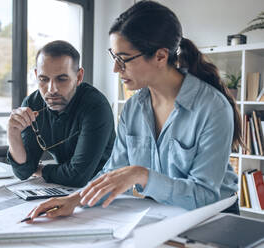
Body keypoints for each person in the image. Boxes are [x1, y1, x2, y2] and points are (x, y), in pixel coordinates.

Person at [26, 0, 242, 221]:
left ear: (160, 56)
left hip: (214, 217)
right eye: (114, 57)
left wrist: (142, 175)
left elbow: (204, 196)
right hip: (163, 214)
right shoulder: (133, 107)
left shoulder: (212, 107)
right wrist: (74, 200)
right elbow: (112, 172)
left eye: (124, 59)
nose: (115, 68)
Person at [7, 40, 116, 187]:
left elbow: (77, 176)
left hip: (105, 189)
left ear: (78, 77)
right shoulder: (32, 104)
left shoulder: (96, 106)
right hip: (63, 188)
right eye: (43, 79)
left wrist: (41, 170)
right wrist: (13, 133)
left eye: (62, 79)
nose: (51, 89)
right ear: (36, 75)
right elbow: (24, 172)